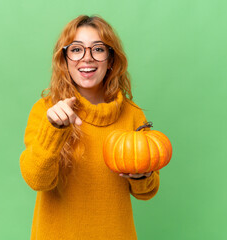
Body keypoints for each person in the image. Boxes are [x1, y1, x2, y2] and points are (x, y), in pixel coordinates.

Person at [19, 15, 160, 240]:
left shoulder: (132, 114)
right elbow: (37, 180)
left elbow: (147, 192)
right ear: (64, 59)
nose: (87, 58)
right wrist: (54, 129)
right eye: (76, 50)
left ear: (111, 58)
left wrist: (141, 175)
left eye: (98, 49)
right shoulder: (46, 110)